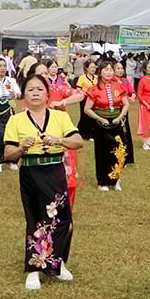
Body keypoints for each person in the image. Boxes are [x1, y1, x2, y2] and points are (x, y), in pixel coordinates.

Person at [4, 73, 86, 291]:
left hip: (55, 171)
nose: (35, 93)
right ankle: (34, 269)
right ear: (23, 95)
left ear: (47, 94)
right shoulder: (16, 120)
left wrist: (59, 140)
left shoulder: (60, 117)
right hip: (31, 172)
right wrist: (22, 148)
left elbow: (78, 141)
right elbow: (8, 153)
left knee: (63, 219)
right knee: (36, 219)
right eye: (30, 89)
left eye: (40, 89)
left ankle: (57, 262)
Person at [42, 61, 85, 206]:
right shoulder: (38, 89)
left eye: (55, 67)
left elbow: (80, 95)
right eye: (50, 68)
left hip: (60, 125)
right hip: (43, 125)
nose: (53, 70)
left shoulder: (60, 85)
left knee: (66, 156)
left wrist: (63, 102)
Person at [84, 61, 131, 192]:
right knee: (102, 152)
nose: (109, 72)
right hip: (100, 124)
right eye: (106, 69)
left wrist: (119, 117)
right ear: (100, 72)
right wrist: (100, 118)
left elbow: (126, 104)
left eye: (111, 69)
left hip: (116, 122)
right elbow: (87, 109)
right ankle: (102, 181)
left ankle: (116, 180)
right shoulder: (94, 89)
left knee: (119, 151)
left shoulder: (119, 87)